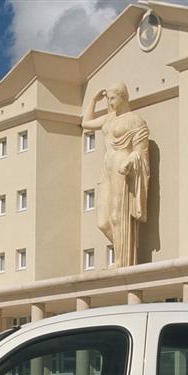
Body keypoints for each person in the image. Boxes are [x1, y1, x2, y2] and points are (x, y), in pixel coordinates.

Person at [81, 81, 150, 267]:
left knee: (116, 216)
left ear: (123, 97)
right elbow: (85, 122)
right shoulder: (108, 119)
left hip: (122, 168)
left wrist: (130, 161)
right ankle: (122, 250)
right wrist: (94, 100)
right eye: (108, 99)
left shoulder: (135, 120)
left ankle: (123, 259)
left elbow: (141, 151)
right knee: (103, 222)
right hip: (107, 169)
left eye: (113, 98)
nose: (110, 103)